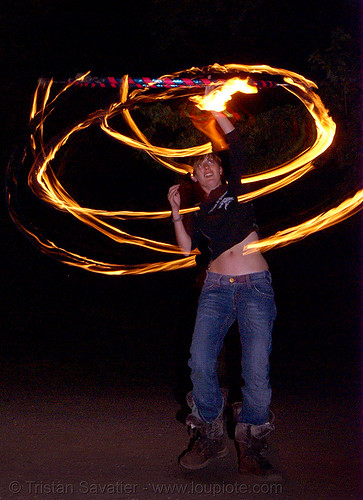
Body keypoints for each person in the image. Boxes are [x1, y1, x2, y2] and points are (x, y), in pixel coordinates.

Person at [167, 109, 277, 476]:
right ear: (195, 176)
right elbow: (185, 250)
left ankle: (251, 444)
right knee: (199, 361)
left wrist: (215, 107)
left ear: (220, 169)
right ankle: (211, 434)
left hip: (255, 288)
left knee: (256, 368)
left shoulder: (237, 190)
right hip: (215, 288)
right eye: (202, 167)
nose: (209, 168)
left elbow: (237, 143)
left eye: (213, 163)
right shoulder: (199, 213)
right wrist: (176, 213)